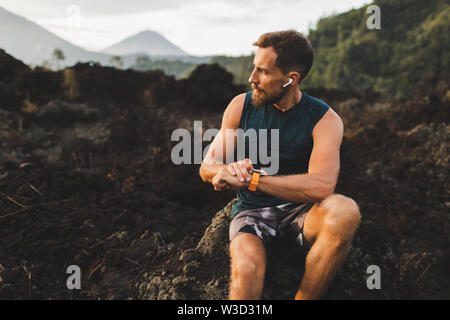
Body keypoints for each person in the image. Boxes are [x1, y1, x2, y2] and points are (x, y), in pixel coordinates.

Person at [199, 30, 361, 300]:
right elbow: (207, 165)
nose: (252, 79)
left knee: (345, 211)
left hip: (303, 212)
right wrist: (224, 171)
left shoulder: (325, 120)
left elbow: (322, 185)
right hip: (251, 212)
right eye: (254, 68)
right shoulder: (241, 106)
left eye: (262, 72)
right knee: (246, 269)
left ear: (290, 79)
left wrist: (253, 179)